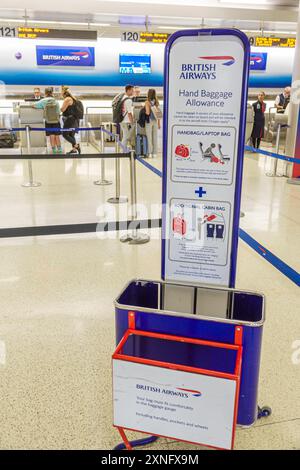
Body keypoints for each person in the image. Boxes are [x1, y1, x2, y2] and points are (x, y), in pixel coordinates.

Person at [32, 87, 62, 154]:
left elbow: (33, 105)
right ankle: (59, 149)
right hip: (56, 121)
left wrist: (42, 107)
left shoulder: (43, 101)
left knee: (51, 135)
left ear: (45, 93)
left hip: (48, 121)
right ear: (52, 93)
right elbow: (59, 112)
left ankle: (54, 150)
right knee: (57, 135)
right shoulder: (55, 101)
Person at [61, 87, 81, 154]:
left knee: (64, 134)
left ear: (63, 93)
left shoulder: (67, 99)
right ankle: (74, 150)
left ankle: (76, 146)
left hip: (69, 119)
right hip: (74, 119)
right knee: (71, 135)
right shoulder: (73, 98)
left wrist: (60, 108)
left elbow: (62, 109)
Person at [145, 88, 161, 158]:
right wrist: (159, 123)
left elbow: (148, 113)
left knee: (149, 137)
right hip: (155, 121)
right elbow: (158, 114)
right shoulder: (157, 102)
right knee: (155, 137)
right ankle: (155, 153)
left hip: (149, 121)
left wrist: (144, 110)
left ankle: (150, 153)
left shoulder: (147, 102)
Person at [120, 85, 134, 149]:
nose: (133, 92)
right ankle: (123, 151)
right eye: (132, 90)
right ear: (128, 90)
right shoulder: (128, 100)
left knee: (125, 136)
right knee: (126, 137)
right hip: (126, 121)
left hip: (122, 120)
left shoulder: (122, 98)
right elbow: (129, 113)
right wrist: (132, 122)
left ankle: (124, 149)